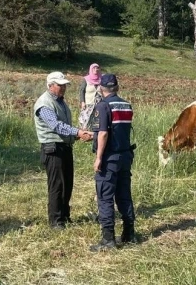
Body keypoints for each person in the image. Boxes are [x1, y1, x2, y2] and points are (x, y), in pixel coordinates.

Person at [34, 71, 93, 230]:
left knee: (67, 184)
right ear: (50, 86)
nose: (63, 88)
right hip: (53, 149)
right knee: (57, 186)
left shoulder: (60, 102)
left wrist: (78, 135)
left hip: (65, 147)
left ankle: (65, 216)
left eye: (64, 85)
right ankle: (56, 221)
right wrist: (78, 132)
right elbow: (56, 125)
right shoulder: (44, 103)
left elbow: (64, 127)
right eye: (60, 85)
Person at [89, 73, 137, 251]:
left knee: (105, 197)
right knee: (124, 195)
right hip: (125, 156)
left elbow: (103, 133)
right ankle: (129, 233)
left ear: (101, 88)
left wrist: (99, 157)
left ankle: (108, 240)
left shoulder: (102, 106)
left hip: (110, 158)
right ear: (117, 87)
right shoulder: (126, 105)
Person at [78, 63, 102, 129]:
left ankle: (95, 132)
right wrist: (82, 102)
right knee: (85, 118)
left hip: (99, 103)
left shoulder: (101, 79)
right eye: (94, 68)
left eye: (97, 68)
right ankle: (84, 132)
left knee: (97, 118)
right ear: (91, 69)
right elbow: (82, 91)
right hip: (88, 102)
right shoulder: (86, 79)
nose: (96, 69)